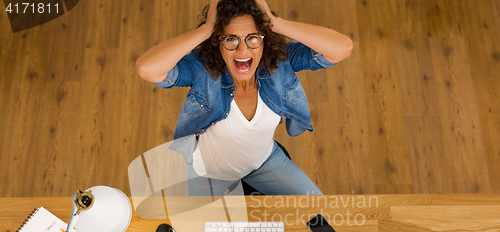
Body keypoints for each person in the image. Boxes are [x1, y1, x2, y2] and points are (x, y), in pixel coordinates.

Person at [135, 0, 352, 196]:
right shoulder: (202, 70)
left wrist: (274, 23)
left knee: (320, 211)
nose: (242, 50)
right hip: (209, 174)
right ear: (217, 42)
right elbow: (147, 68)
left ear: (264, 39)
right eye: (230, 39)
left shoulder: (280, 61)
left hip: (264, 163)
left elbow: (342, 48)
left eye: (253, 38)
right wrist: (207, 29)